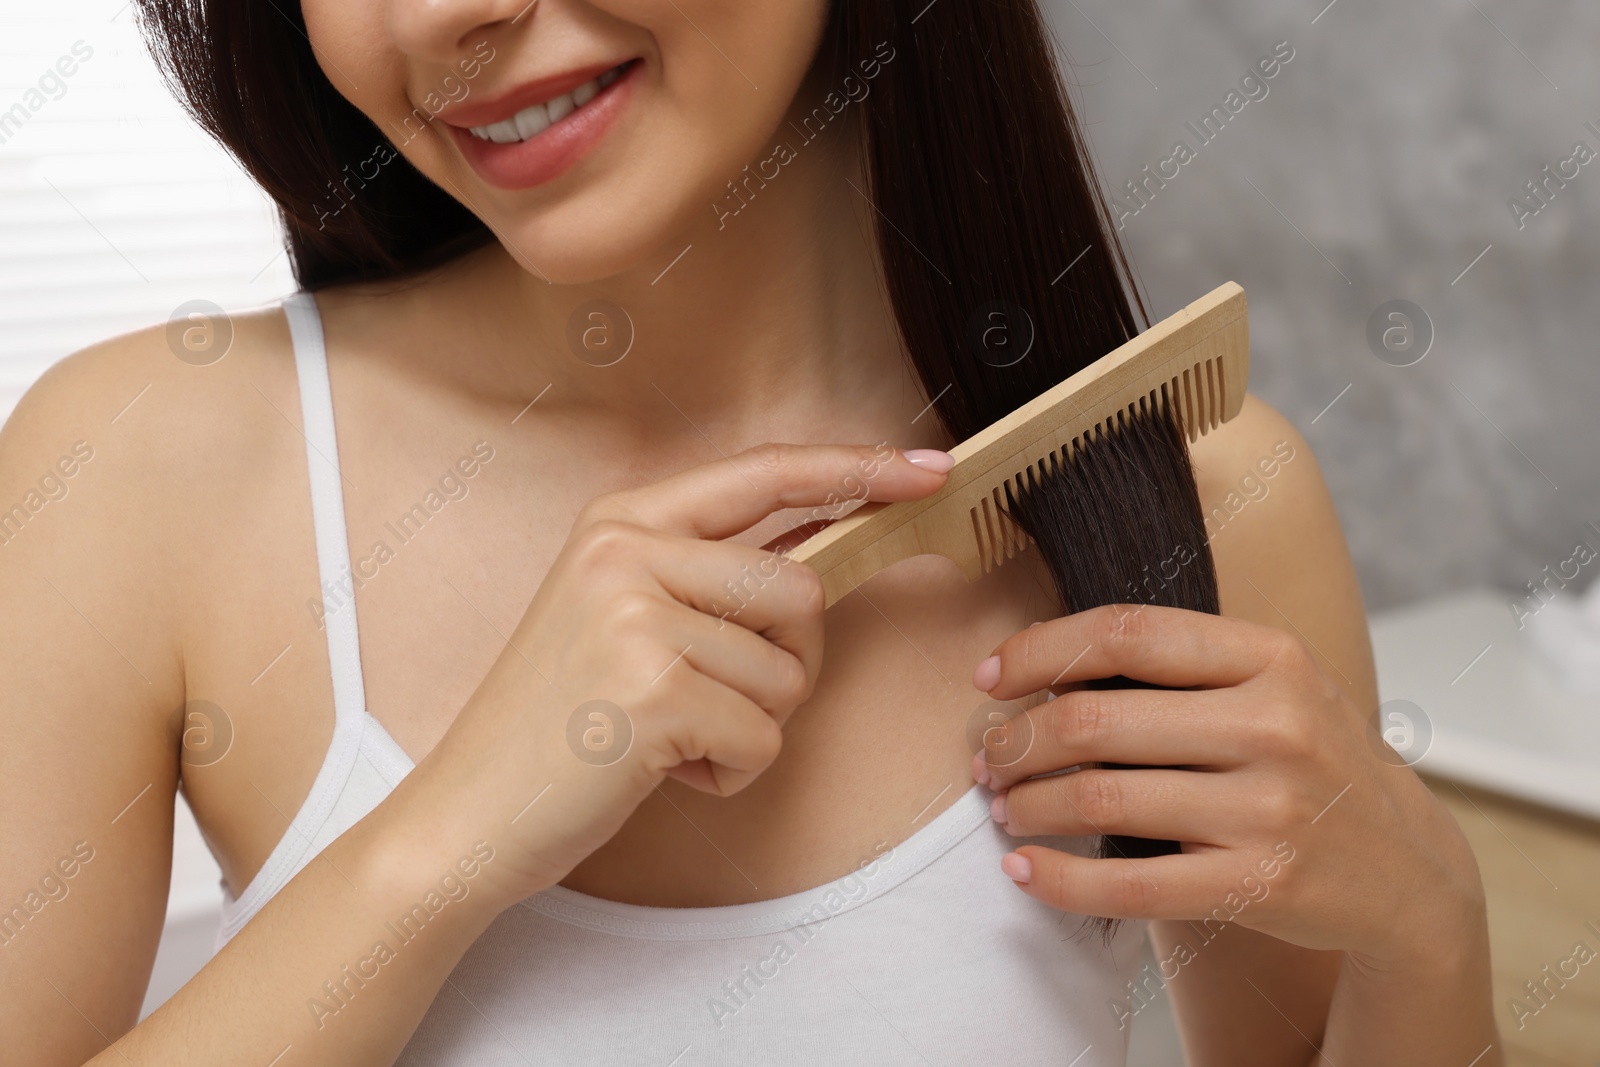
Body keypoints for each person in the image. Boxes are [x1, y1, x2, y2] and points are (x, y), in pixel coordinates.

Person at [0, 0, 1499, 1063]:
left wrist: (1430, 932)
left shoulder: (1191, 490)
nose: (441, 13)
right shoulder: (141, 467)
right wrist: (445, 844)